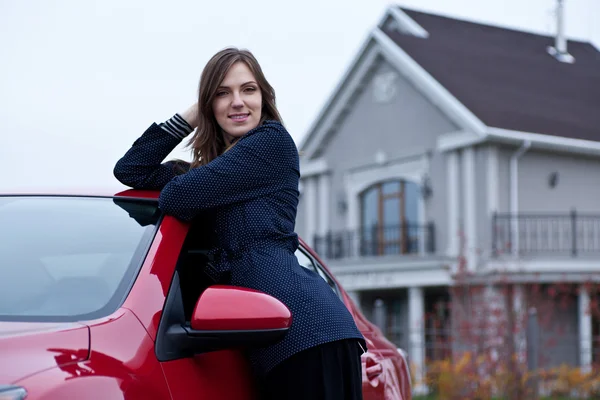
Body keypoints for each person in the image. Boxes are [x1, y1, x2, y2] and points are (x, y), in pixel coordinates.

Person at [113, 47, 366, 399]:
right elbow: (131, 170)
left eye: (248, 90)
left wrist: (206, 111)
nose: (237, 102)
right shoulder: (213, 173)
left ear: (263, 97)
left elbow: (176, 198)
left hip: (307, 332)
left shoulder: (271, 142)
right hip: (274, 337)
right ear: (208, 105)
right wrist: (190, 115)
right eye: (222, 93)